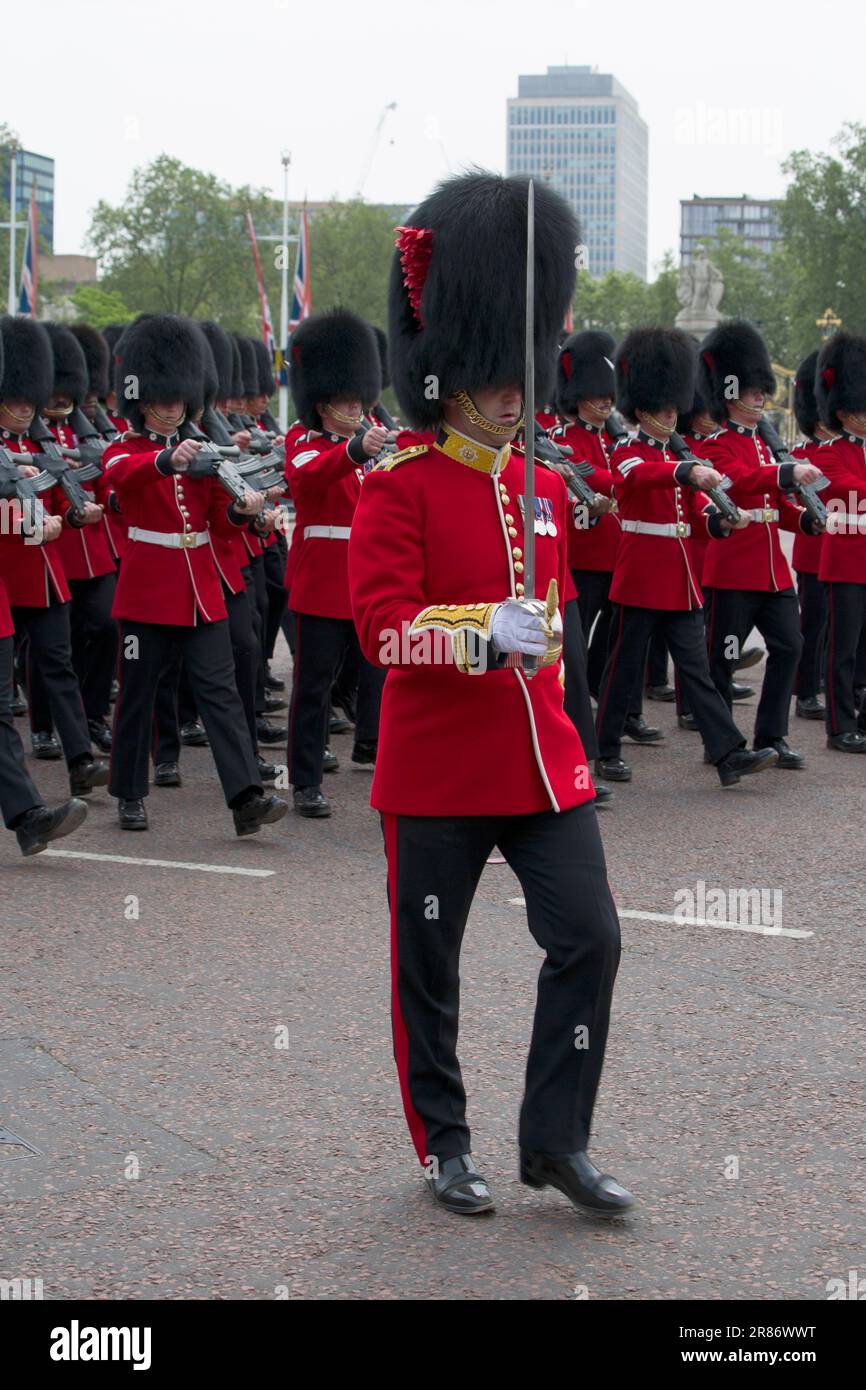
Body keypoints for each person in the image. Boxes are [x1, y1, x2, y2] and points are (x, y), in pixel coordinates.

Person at [349, 171, 631, 1218]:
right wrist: (476, 634)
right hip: (435, 773)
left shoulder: (546, 489)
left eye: (523, 374)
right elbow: (382, 628)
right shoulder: (397, 485)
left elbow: (552, 622)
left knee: (589, 936)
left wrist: (540, 643)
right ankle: (445, 1143)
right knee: (428, 966)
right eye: (496, 374)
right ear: (450, 373)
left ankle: (554, 1140)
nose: (517, 392)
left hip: (540, 763)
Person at [102, 313, 287, 834]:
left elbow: (217, 528)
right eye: (162, 402)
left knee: (221, 691)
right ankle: (129, 793)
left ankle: (246, 795)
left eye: (178, 401)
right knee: (137, 693)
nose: (171, 410)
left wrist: (243, 512)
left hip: (201, 591)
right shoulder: (125, 450)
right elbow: (120, 481)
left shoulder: (204, 454)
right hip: (147, 592)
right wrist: (168, 462)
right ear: (142, 404)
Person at [594, 326, 779, 788]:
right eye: (664, 409)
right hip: (641, 575)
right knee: (625, 667)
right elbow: (640, 480)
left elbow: (693, 512)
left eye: (677, 408)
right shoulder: (626, 450)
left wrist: (720, 521)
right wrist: (686, 470)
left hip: (679, 580)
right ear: (641, 411)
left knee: (695, 671)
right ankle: (606, 749)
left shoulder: (679, 455)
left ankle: (728, 754)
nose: (673, 416)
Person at [697, 322, 824, 769]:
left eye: (759, 390)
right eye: (750, 391)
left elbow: (776, 504)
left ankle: (773, 735)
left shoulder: (769, 448)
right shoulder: (715, 447)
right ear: (729, 394)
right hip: (734, 569)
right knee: (725, 657)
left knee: (790, 645)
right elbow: (742, 482)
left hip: (772, 571)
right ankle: (723, 744)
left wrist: (806, 520)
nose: (758, 396)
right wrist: (786, 474)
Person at [0, 316, 108, 798]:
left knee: (58, 663)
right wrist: (26, 524)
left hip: (45, 574)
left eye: (30, 398)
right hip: (8, 574)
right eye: (15, 398)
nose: (25, 407)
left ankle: (80, 758)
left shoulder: (38, 441)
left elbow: (56, 495)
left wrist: (77, 514)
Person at [285, 309, 387, 816]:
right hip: (323, 580)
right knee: (313, 684)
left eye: (360, 400)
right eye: (349, 402)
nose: (358, 408)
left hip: (367, 579)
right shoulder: (302, 442)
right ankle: (304, 780)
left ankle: (377, 754)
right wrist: (353, 449)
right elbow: (309, 479)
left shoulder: (371, 449)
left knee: (378, 672)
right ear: (323, 405)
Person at [813, 333, 866, 751]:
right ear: (845, 411)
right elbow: (846, 487)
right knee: (842, 650)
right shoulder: (828, 453)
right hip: (846, 559)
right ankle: (839, 725)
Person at [790, 350, 833, 722]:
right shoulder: (802, 453)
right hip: (815, 549)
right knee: (814, 622)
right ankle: (805, 690)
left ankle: (821, 680)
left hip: (845, 551)